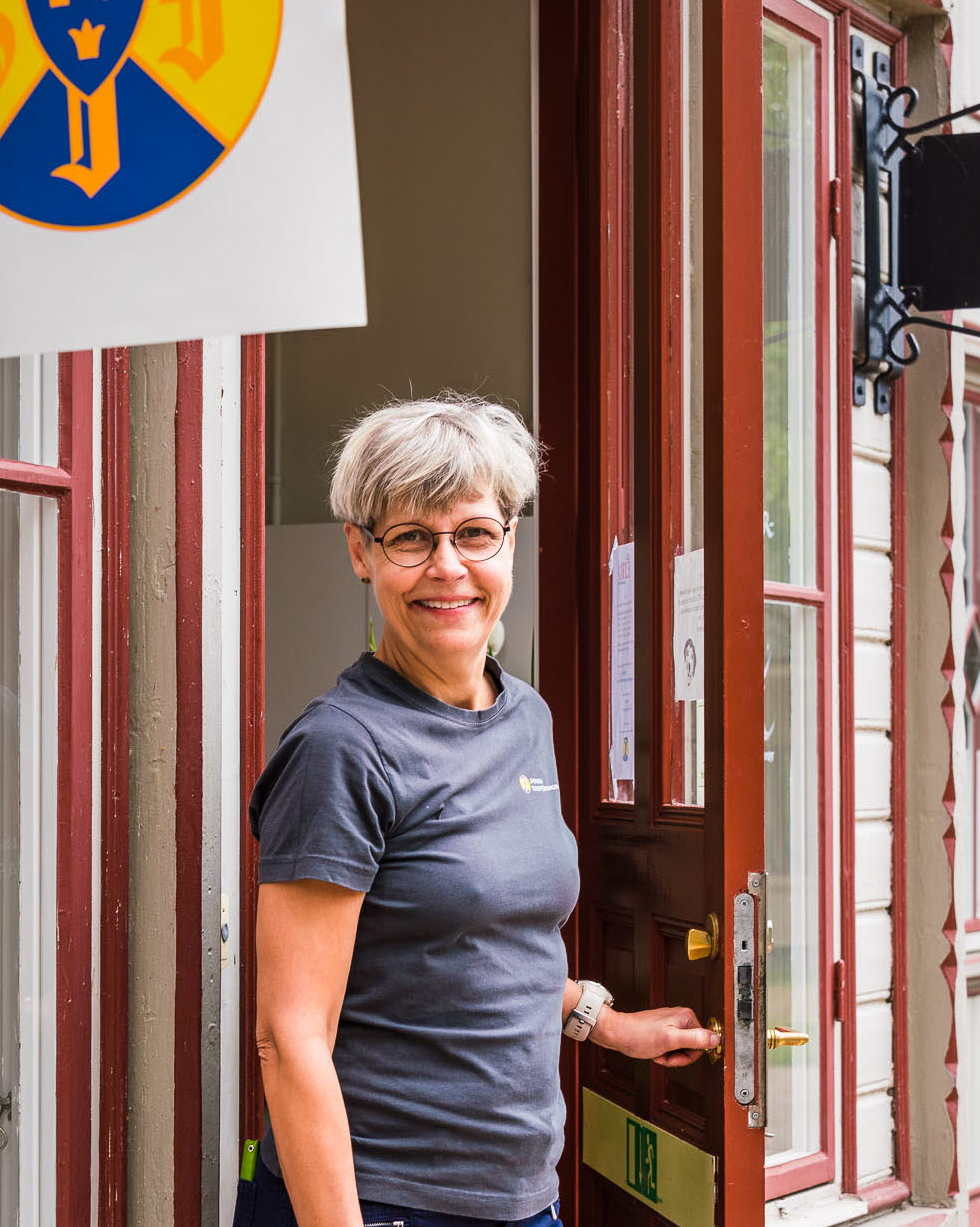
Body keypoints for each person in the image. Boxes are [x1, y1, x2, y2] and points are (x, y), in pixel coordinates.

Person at [240, 393, 719, 1227]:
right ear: (360, 550)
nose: (448, 567)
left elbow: (472, 943)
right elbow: (290, 1038)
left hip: (522, 1198)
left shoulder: (523, 716)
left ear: (509, 541)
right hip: (385, 1202)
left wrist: (602, 1021)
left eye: (472, 533)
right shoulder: (342, 748)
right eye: (410, 537)